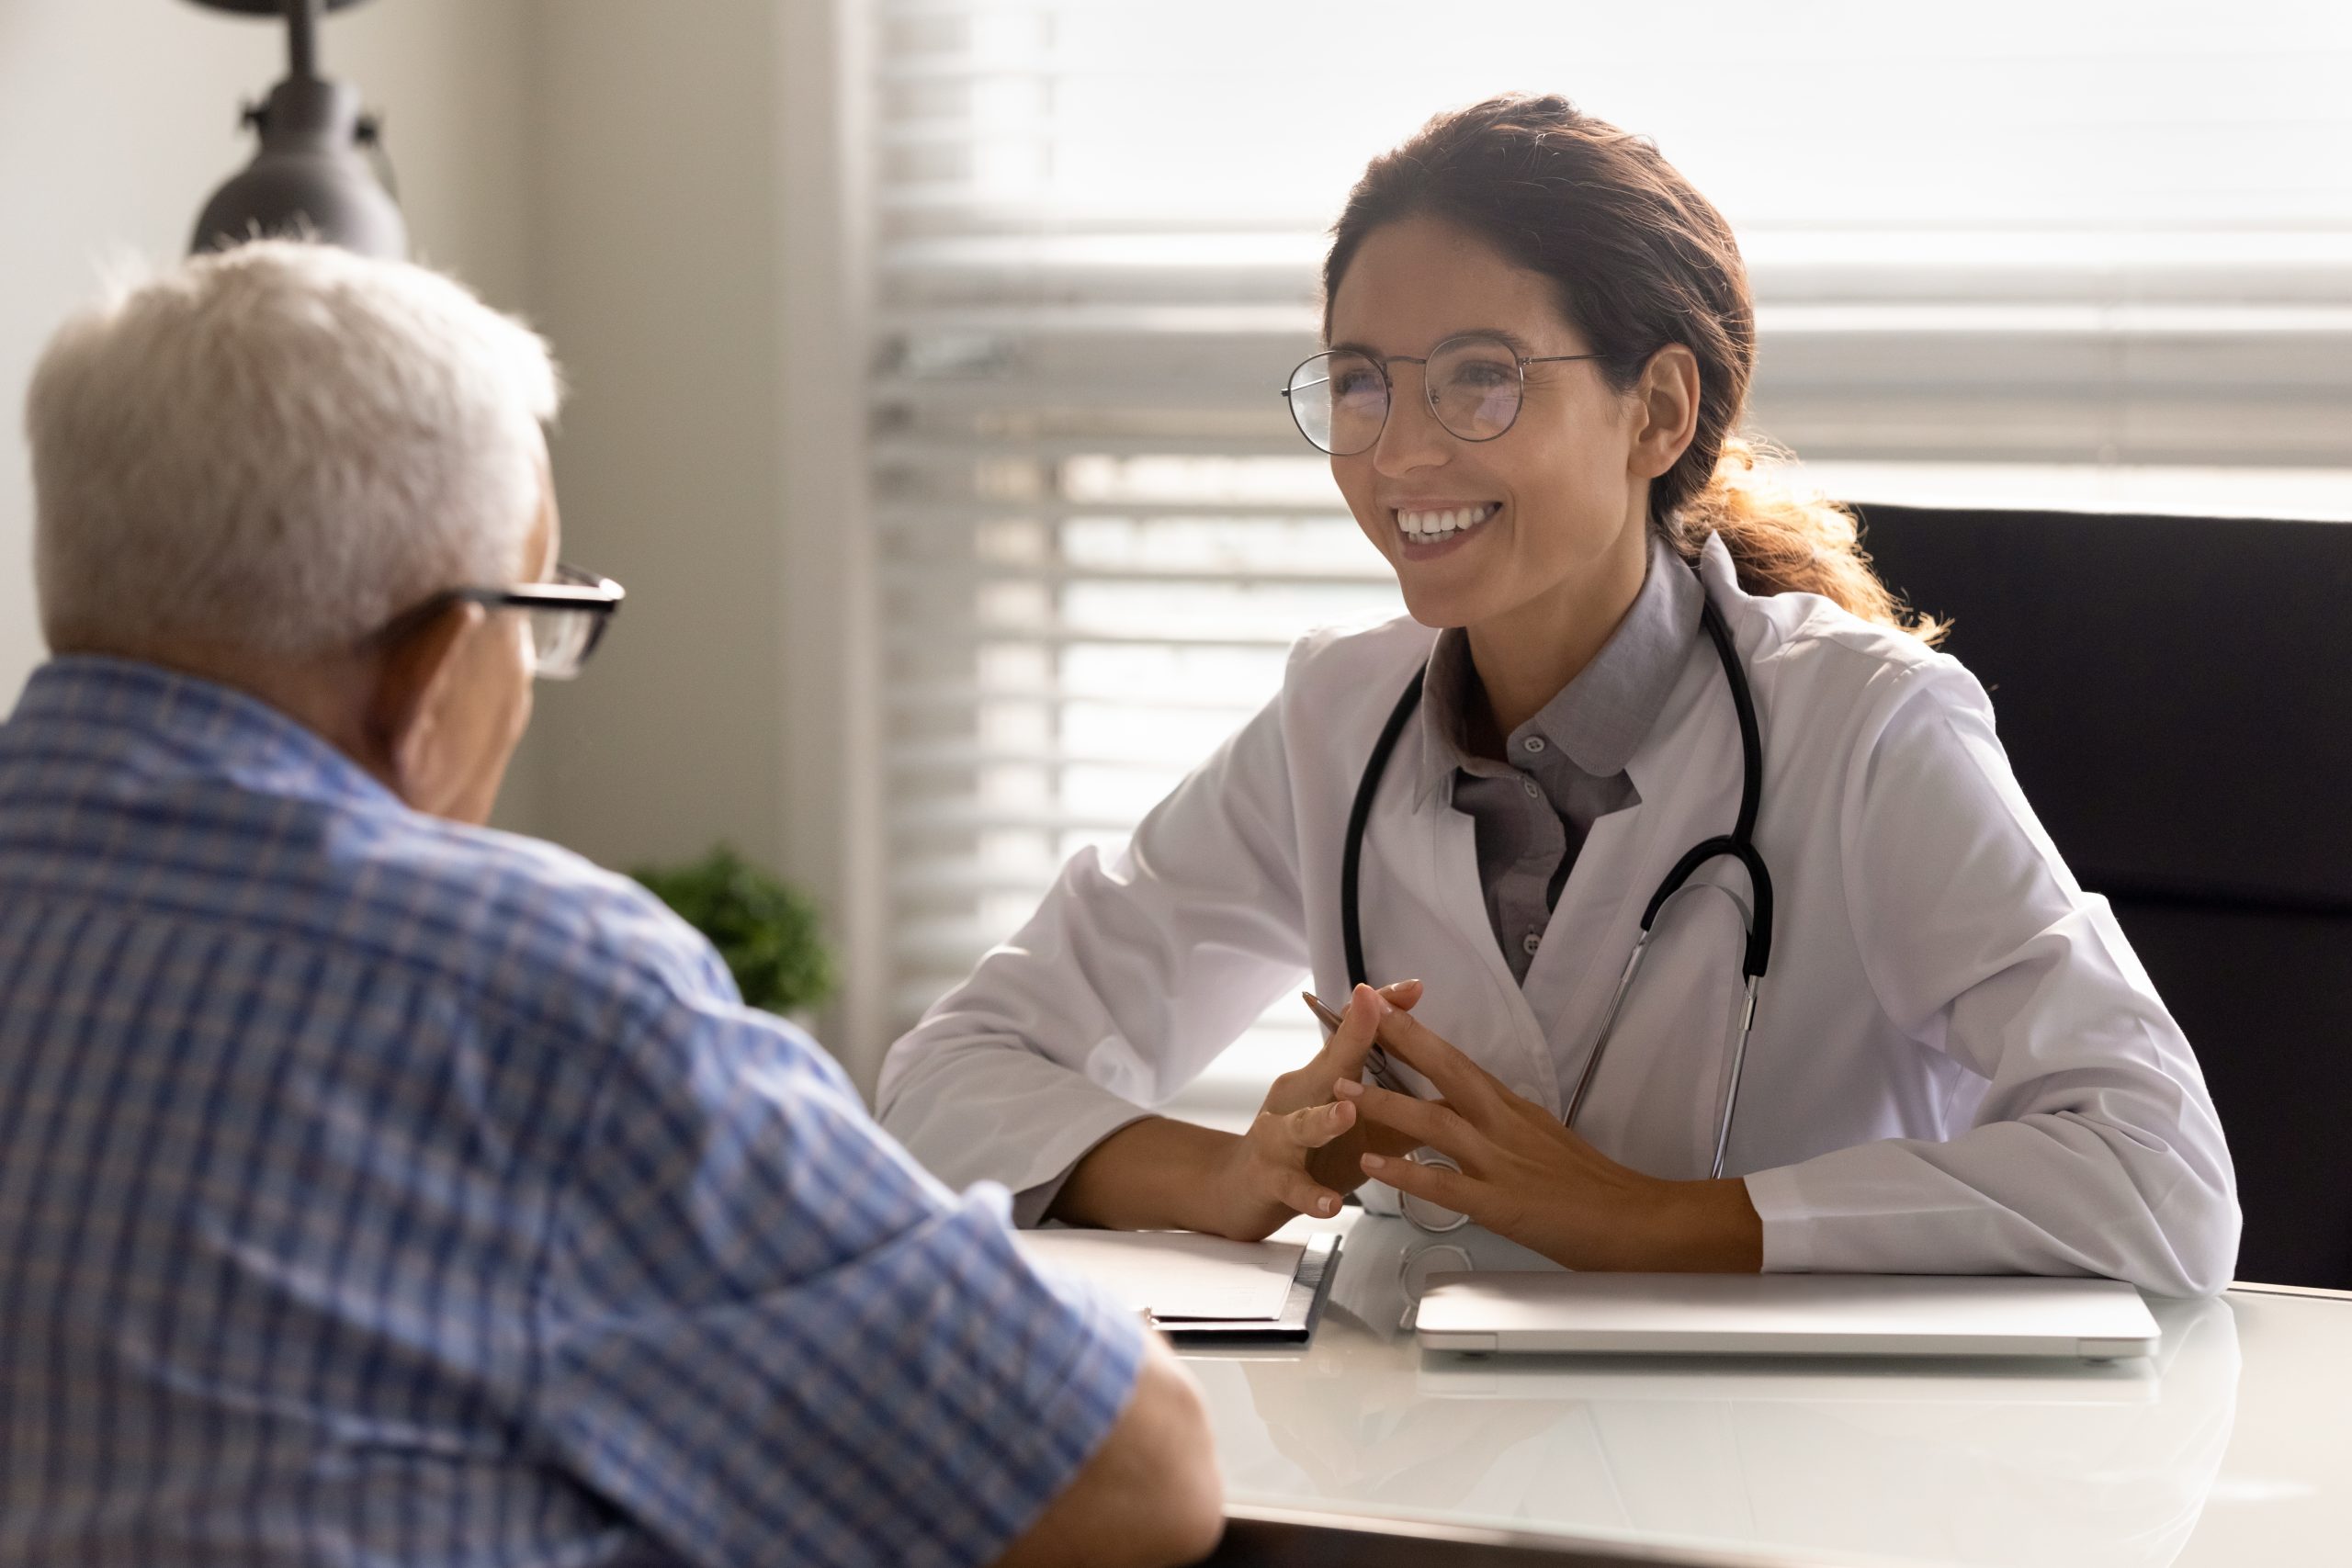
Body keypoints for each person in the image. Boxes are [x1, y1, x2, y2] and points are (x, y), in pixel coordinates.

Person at [879, 95, 2239, 1296]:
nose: (1402, 448)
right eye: (1361, 383)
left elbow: (2159, 1179)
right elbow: (950, 1080)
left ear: (1655, 414)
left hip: (1791, 1480)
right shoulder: (1333, 723)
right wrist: (1235, 1177)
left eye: (1483, 379)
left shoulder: (1868, 731)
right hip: (1420, 1470)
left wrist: (1652, 1223)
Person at [0, 241, 1223, 1568]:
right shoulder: (527, 985)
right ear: (433, 663)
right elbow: (1131, 1475)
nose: (524, 690)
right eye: (530, 621)